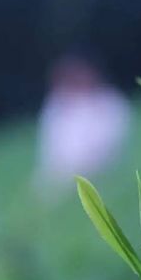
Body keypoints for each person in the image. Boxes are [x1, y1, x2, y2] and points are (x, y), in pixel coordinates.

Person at [33, 56, 130, 194]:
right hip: (61, 172)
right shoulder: (56, 107)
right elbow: (51, 149)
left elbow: (110, 144)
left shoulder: (109, 103)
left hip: (96, 169)